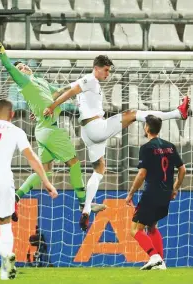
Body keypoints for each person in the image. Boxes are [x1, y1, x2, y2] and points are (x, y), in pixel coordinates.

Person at [43, 55, 190, 231]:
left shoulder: (87, 82)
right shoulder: (90, 79)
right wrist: (51, 107)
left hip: (88, 133)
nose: (108, 74)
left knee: (99, 169)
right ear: (97, 67)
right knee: (133, 113)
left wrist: (46, 104)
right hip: (96, 126)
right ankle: (177, 113)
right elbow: (69, 92)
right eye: (106, 70)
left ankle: (86, 210)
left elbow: (62, 89)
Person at [0, 40, 105, 223]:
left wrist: (83, 84)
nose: (24, 67)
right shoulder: (24, 82)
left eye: (25, 64)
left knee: (46, 170)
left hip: (43, 129)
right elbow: (10, 68)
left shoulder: (40, 81)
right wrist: (2, 52)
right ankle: (84, 204)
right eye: (21, 67)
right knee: (74, 163)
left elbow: (59, 92)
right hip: (50, 129)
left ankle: (16, 197)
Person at [0, 99, 58, 280]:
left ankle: (7, 255)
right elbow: (32, 158)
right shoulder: (16, 131)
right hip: (5, 180)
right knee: (5, 224)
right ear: (12, 114)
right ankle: (5, 273)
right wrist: (46, 182)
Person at [125, 115, 186, 270]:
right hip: (165, 194)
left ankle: (154, 256)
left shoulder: (146, 148)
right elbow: (182, 169)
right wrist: (175, 188)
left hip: (151, 193)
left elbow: (142, 174)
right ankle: (161, 263)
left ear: (147, 128)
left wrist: (131, 192)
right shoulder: (170, 146)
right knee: (152, 226)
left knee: (135, 229)